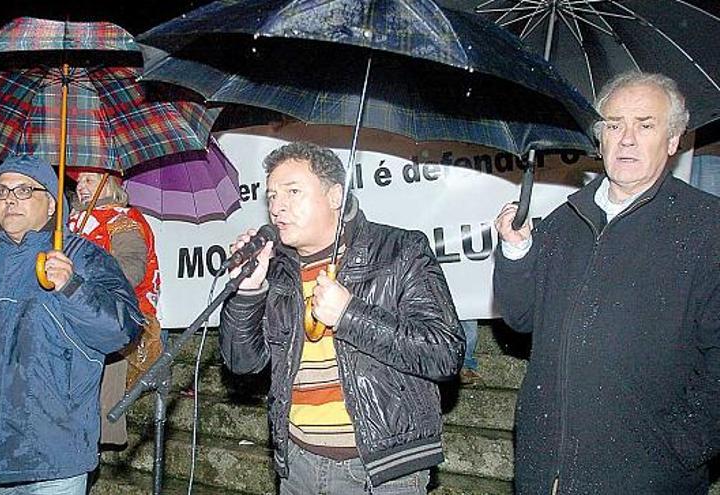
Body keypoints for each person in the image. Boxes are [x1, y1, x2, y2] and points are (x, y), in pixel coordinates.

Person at [494, 71, 720, 494]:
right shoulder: (565, 221)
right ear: (600, 139)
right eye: (614, 125)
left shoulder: (707, 228)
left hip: (647, 477)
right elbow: (521, 318)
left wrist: (683, 446)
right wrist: (516, 250)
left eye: (645, 125)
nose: (627, 138)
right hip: (546, 473)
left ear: (673, 141)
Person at [219, 142, 465, 493]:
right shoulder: (277, 271)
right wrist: (248, 292)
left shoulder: (400, 250)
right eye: (271, 196)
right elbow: (242, 364)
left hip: (380, 469)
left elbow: (444, 353)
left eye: (293, 192)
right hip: (298, 465)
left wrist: (350, 315)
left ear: (335, 195)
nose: (277, 207)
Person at [0, 155, 144, 494]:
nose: (10, 199)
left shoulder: (84, 257)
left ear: (51, 203)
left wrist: (72, 286)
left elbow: (121, 330)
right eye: (2, 190)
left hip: (51, 458)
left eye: (24, 190)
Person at [68, 168, 162, 446]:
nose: (82, 186)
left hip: (110, 316)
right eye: (80, 181)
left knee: (96, 410)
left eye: (90, 180)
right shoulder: (72, 222)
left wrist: (86, 286)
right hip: (74, 314)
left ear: (109, 184)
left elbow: (131, 268)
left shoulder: (124, 220)